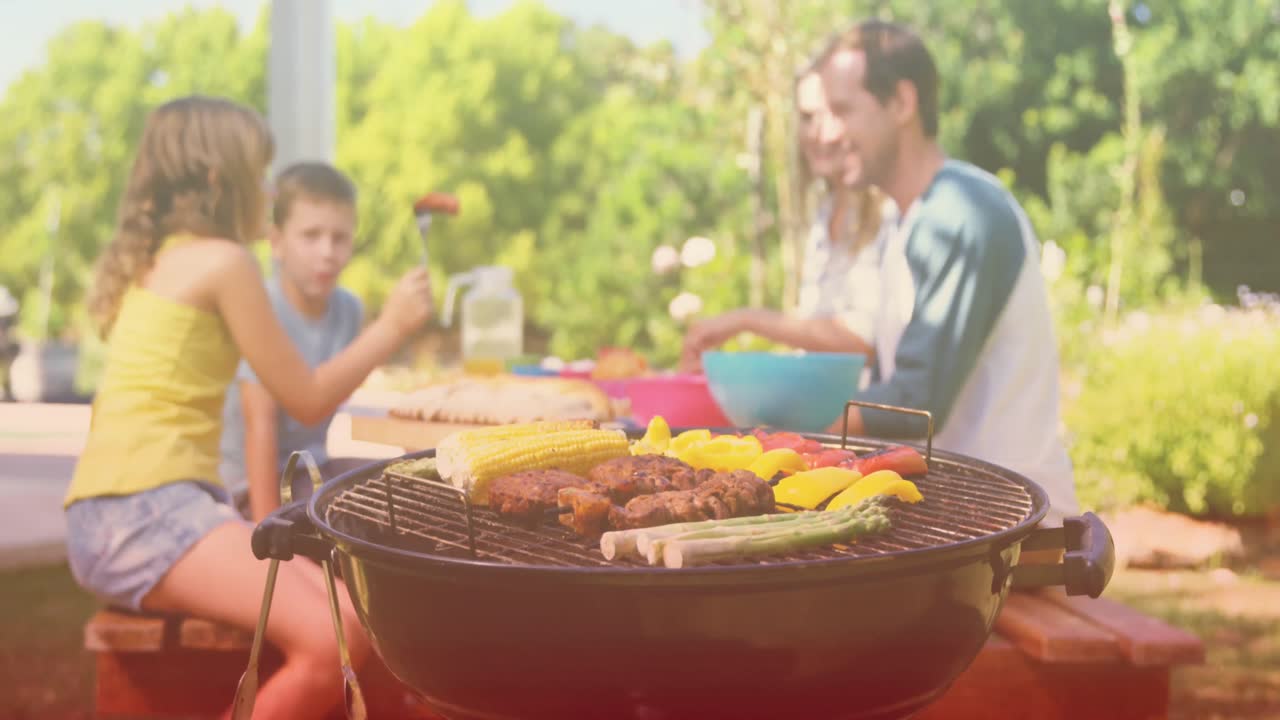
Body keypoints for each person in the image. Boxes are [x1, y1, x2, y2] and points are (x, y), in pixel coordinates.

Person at [62, 96, 433, 719]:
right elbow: (305, 396)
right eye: (260, 171)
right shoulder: (224, 263)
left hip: (130, 510)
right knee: (328, 643)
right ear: (219, 178)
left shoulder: (162, 258)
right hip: (140, 516)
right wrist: (392, 326)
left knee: (353, 620)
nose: (266, 187)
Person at [814, 20, 1080, 526]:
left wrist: (803, 427)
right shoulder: (909, 220)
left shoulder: (960, 211)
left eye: (843, 110)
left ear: (902, 103)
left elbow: (918, 400)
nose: (827, 133)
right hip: (969, 516)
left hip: (1013, 523)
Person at [679, 61, 894, 375]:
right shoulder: (825, 209)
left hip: (874, 419)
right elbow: (817, 339)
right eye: (807, 117)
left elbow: (861, 341)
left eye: (835, 113)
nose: (817, 133)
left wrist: (746, 320)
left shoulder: (891, 213)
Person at [219, 161, 367, 522]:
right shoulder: (261, 306)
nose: (327, 252)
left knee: (400, 490)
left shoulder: (350, 310)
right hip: (250, 483)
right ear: (277, 242)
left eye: (340, 238)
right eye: (311, 236)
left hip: (312, 469)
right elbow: (260, 428)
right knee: (351, 522)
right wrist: (269, 532)